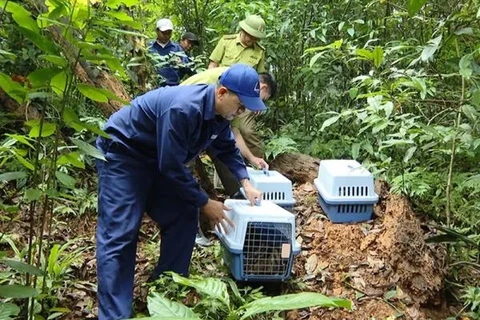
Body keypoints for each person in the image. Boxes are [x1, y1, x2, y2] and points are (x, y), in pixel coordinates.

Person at [95, 64, 264, 320]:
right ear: (221, 93)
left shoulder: (220, 116)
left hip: (157, 159)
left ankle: (164, 291)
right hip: (124, 153)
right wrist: (206, 202)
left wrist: (245, 182)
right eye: (240, 106)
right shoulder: (184, 108)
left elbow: (226, 148)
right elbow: (171, 166)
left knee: (184, 213)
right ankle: (114, 315)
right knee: (120, 233)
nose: (241, 112)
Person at [181, 67, 277, 246]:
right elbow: (173, 168)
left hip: (206, 119)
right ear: (261, 88)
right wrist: (205, 202)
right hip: (187, 122)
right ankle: (190, 228)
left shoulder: (235, 97)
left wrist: (246, 178)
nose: (247, 110)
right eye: (244, 106)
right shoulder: (232, 87)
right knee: (183, 171)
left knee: (224, 159)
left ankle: (240, 205)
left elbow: (230, 142)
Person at [148, 18, 191, 86]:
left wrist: (181, 64)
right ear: (157, 31)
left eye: (169, 33)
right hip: (153, 87)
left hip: (172, 88)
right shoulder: (149, 47)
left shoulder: (177, 49)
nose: (167, 36)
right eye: (164, 33)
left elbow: (188, 69)